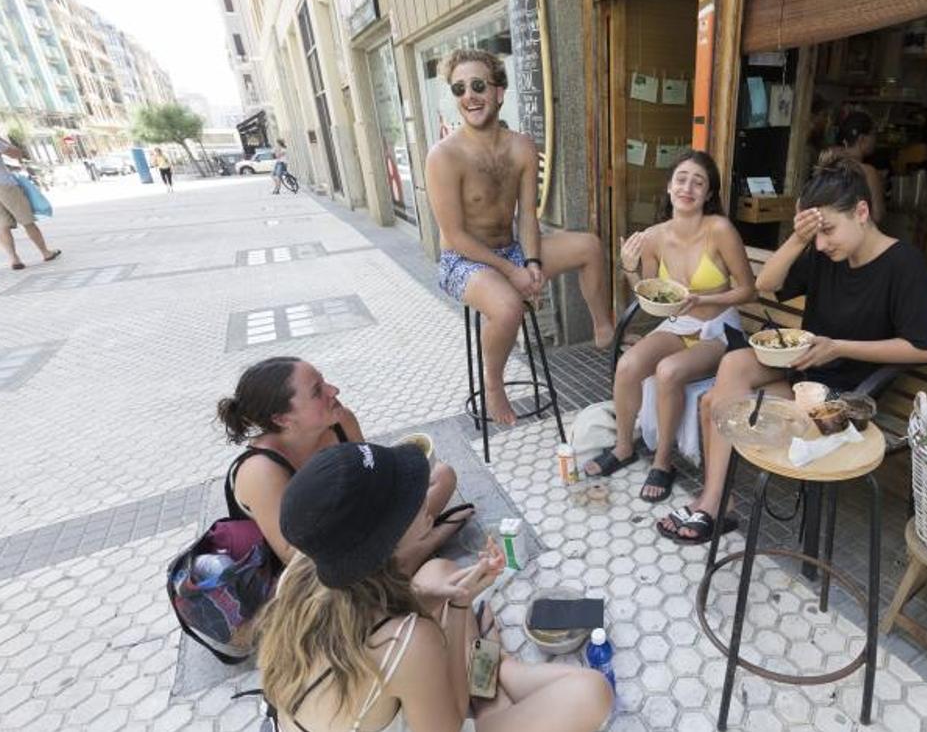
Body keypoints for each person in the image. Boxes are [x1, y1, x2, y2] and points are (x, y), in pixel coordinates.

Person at [657, 153, 927, 544]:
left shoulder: (903, 263)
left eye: (829, 231)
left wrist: (839, 347)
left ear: (861, 211)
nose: (822, 244)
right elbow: (766, 284)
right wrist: (798, 238)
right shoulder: (827, 254)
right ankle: (716, 500)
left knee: (712, 403)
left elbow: (922, 349)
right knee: (736, 364)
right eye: (816, 235)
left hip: (846, 397)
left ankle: (715, 502)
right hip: (804, 371)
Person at [258, 441, 614, 732]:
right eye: (411, 499)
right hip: (439, 717)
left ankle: (498, 665)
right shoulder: (407, 640)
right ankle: (491, 698)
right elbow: (452, 722)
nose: (427, 501)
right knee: (593, 692)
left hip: (349, 704)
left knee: (437, 572)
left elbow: (396, 608)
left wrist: (444, 598)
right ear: (387, 537)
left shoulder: (309, 568)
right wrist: (459, 607)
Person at [425, 48, 615, 426]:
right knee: (508, 307)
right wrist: (513, 274)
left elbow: (527, 215)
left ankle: (604, 329)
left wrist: (531, 263)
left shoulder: (522, 146)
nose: (469, 96)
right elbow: (455, 236)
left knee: (589, 246)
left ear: (499, 91)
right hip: (462, 261)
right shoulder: (444, 156)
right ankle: (493, 383)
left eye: (478, 85)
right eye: (459, 88)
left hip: (510, 249)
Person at [582, 150, 755, 504]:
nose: (687, 187)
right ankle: (624, 446)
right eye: (681, 178)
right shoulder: (654, 237)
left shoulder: (719, 229)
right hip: (678, 324)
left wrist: (705, 300)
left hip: (719, 330)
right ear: (670, 185)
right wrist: (629, 267)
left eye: (698, 182)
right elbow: (651, 294)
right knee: (628, 365)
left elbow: (747, 289)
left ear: (709, 194)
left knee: (668, 371)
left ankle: (663, 462)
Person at [216, 356, 470, 565]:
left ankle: (406, 554)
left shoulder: (341, 420)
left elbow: (369, 474)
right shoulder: (260, 470)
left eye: (324, 382)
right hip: (310, 574)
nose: (333, 390)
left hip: (354, 529)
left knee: (442, 475)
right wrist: (376, 533)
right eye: (317, 391)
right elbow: (294, 557)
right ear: (282, 419)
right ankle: (425, 543)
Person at [0, 127, 60, 271]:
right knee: (27, 219)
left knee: (1, 223)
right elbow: (16, 154)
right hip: (3, 183)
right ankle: (45, 252)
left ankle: (14, 259)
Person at [820, 111, 885, 225]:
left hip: (829, 228)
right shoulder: (868, 172)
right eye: (874, 135)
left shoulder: (827, 162)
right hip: (855, 235)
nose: (875, 140)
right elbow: (877, 215)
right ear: (862, 139)